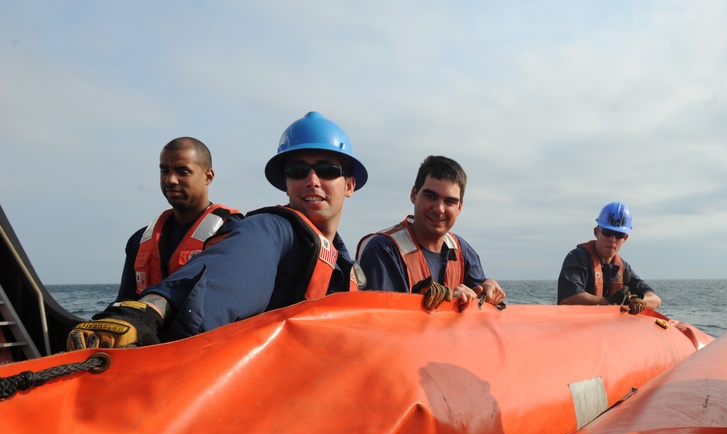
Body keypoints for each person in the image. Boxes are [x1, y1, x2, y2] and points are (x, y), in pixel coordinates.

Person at [68, 111, 366, 349]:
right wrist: (148, 310)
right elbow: (229, 272)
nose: (312, 180)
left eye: (328, 170)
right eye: (297, 170)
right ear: (285, 183)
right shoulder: (269, 229)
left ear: (349, 185)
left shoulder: (348, 269)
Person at [355, 155, 504, 311]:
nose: (439, 209)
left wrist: (489, 288)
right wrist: (449, 305)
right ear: (414, 194)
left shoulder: (462, 251)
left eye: (450, 202)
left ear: (459, 207)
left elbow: (480, 299)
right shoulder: (383, 250)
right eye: (431, 197)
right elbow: (380, 318)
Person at [116, 137, 242, 301]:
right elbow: (124, 300)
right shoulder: (139, 240)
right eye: (165, 171)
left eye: (183, 172)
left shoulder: (235, 233)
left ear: (208, 177)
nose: (171, 180)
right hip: (147, 323)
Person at [556, 202, 661, 314]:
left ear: (625, 238)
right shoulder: (578, 258)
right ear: (596, 232)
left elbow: (655, 300)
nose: (612, 240)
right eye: (607, 232)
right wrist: (609, 302)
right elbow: (568, 298)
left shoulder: (624, 269)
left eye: (619, 235)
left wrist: (638, 302)